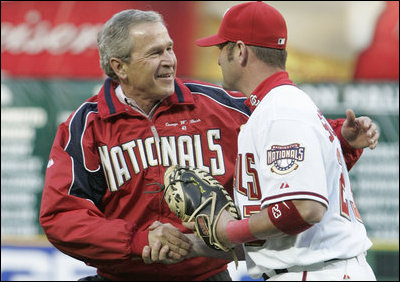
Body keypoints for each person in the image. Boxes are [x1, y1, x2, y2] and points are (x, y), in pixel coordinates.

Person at [39, 8, 378, 281]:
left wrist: (343, 140)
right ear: (119, 67)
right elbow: (62, 216)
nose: (170, 59)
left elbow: (293, 160)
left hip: (206, 274)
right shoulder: (86, 126)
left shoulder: (222, 106)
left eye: (170, 47)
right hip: (125, 274)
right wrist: (138, 241)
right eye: (155, 52)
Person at [192, 1, 379, 281]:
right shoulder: (279, 106)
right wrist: (192, 245)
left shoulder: (280, 111)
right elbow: (275, 236)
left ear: (240, 51)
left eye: (222, 48)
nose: (218, 59)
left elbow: (305, 208)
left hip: (318, 272)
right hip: (314, 269)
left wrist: (229, 230)